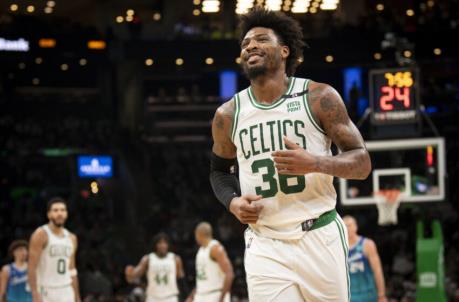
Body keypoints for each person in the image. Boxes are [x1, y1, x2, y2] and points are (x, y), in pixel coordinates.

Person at [209, 7, 371, 301]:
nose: (250, 46)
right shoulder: (228, 114)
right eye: (245, 44)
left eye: (260, 39)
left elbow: (361, 162)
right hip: (265, 243)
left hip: (319, 235)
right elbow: (219, 171)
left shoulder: (319, 97)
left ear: (284, 51)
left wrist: (316, 163)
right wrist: (233, 202)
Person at [28, 197, 80, 302]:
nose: (59, 213)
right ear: (49, 214)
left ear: (66, 214)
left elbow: (72, 271)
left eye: (62, 210)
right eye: (55, 210)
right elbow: (32, 267)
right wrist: (34, 293)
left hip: (66, 289)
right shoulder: (41, 234)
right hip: (46, 289)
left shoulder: (72, 237)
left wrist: (77, 296)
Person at [125, 233, 187, 302]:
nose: (162, 245)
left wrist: (186, 297)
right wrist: (130, 274)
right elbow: (133, 277)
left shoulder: (175, 259)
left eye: (165, 243)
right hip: (152, 297)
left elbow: (181, 280)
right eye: (160, 243)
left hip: (171, 297)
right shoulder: (147, 259)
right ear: (155, 245)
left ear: (168, 245)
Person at [343, 216, 387, 302]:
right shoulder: (339, 247)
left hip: (368, 294)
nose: (347, 228)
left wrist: (382, 295)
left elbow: (377, 270)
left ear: (356, 227)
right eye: (345, 226)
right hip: (349, 295)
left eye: (349, 225)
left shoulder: (367, 244)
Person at [186, 222, 234, 302]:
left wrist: (222, 298)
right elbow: (201, 279)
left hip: (215, 294)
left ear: (198, 234)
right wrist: (191, 297)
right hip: (201, 295)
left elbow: (230, 274)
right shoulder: (201, 251)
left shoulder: (215, 248)